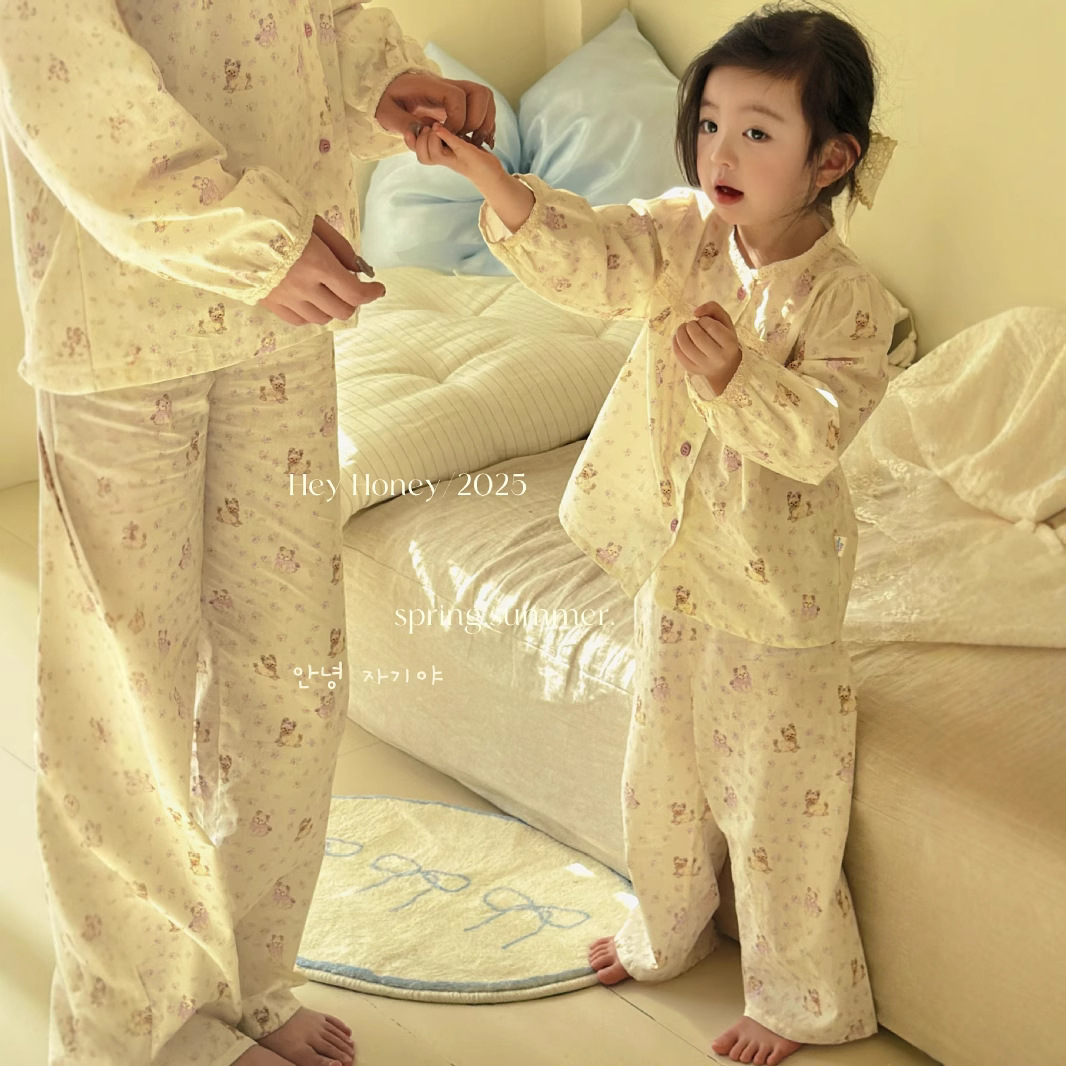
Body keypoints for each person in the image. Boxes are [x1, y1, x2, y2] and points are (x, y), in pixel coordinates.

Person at [0, 2, 494, 1064]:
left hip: (280, 305)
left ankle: (247, 980)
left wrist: (381, 83)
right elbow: (59, 63)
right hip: (124, 306)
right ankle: (137, 1035)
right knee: (125, 704)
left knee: (290, 675)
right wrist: (249, 238)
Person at [406, 3, 896, 1063]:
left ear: (832, 159)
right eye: (710, 123)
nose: (722, 152)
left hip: (775, 597)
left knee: (778, 804)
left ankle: (799, 997)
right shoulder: (685, 234)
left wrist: (733, 377)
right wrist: (490, 178)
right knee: (661, 778)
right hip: (674, 567)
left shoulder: (850, 302)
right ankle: (667, 932)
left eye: (758, 131)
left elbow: (817, 437)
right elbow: (593, 253)